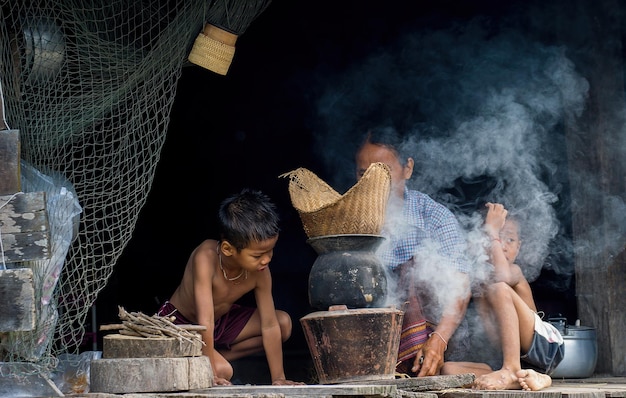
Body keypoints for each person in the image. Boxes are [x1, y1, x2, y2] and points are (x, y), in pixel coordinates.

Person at [355, 126, 473, 377]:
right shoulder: (349, 219)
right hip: (367, 340)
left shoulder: (435, 217)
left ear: (407, 168)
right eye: (363, 174)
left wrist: (439, 339)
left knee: (416, 269)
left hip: (429, 341)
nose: (371, 185)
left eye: (383, 173)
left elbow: (460, 285)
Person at [156, 188, 305, 386]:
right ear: (228, 249)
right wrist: (210, 371)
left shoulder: (260, 271)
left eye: (270, 251)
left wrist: (279, 378)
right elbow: (204, 320)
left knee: (283, 323)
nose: (267, 259)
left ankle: (216, 355)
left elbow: (269, 324)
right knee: (223, 371)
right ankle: (212, 359)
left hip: (220, 323)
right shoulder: (205, 258)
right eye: (257, 255)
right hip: (183, 325)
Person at [441, 202, 564, 391]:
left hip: (544, 346)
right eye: (496, 238)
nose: (503, 247)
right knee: (448, 370)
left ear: (519, 247)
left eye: (510, 240)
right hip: (512, 362)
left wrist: (492, 232)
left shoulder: (514, 272)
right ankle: (526, 377)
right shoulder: (476, 281)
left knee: (498, 287)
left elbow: (502, 277)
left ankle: (512, 370)